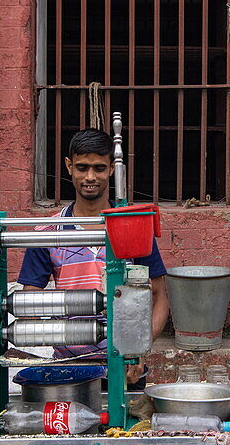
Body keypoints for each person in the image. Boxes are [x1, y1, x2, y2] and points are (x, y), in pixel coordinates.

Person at [18, 129, 169, 387]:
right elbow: (29, 302)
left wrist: (137, 351)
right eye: (82, 167)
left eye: (99, 168)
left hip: (125, 370)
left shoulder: (135, 227)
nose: (90, 177)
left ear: (111, 169)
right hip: (69, 372)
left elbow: (159, 298)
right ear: (69, 167)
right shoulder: (47, 232)